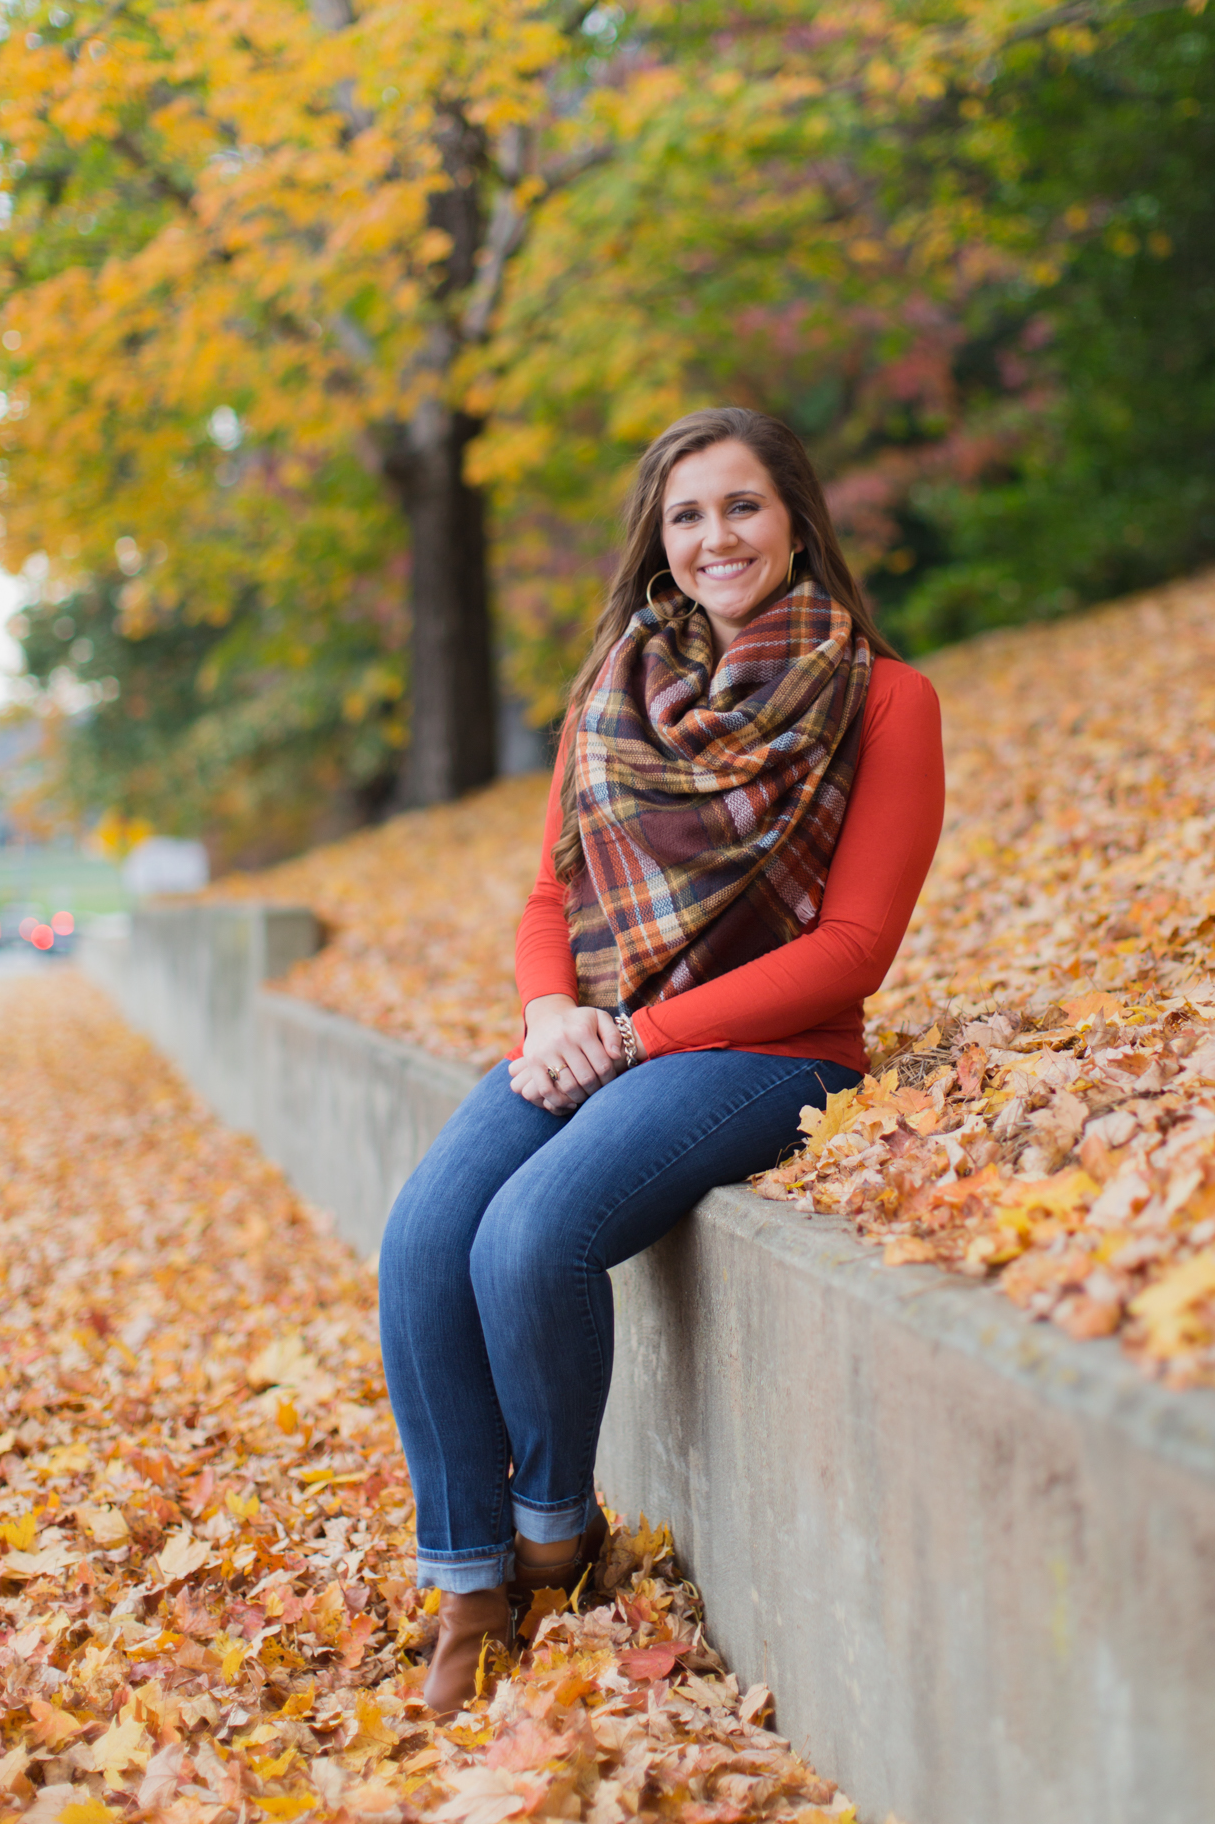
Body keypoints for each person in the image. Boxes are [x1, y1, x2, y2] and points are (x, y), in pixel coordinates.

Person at [378, 406, 945, 1712]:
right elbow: (548, 901)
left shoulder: (886, 699)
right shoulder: (613, 694)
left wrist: (631, 1035)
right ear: (659, 541)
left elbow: (854, 947)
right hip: (593, 1037)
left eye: (742, 506)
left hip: (773, 1047)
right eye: (688, 515)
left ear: (796, 516)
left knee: (529, 1236)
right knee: (425, 1240)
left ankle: (553, 1542)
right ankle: (468, 1580)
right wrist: (546, 1017)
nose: (715, 537)